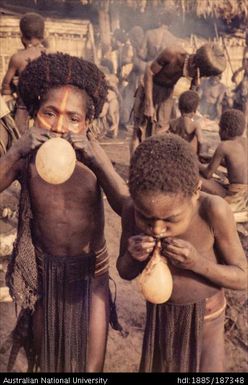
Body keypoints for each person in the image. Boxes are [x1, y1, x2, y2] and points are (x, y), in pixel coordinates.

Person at [0, 52, 128, 372]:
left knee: (90, 367)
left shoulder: (90, 159)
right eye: (49, 113)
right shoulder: (27, 158)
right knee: (50, 363)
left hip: (91, 278)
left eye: (73, 118)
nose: (59, 127)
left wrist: (98, 161)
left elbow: (126, 206)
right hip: (46, 278)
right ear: (33, 114)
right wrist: (16, 149)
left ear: (87, 124)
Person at [117, 134, 246, 372]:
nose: (156, 228)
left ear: (196, 191)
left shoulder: (213, 210)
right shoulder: (131, 210)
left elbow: (242, 276)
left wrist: (197, 263)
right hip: (160, 320)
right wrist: (133, 256)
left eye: (170, 220)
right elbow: (124, 271)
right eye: (147, 218)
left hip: (207, 324)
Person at [130, 43, 226, 155]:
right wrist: (148, 104)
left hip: (166, 94)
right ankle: (134, 166)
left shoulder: (197, 70)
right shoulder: (172, 53)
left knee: (160, 132)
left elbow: (191, 96)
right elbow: (149, 71)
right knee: (139, 130)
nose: (200, 76)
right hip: (149, 88)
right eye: (200, 74)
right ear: (194, 64)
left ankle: (150, 163)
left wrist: (195, 84)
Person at [1, 12, 46, 134]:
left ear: (22, 36)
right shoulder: (50, 56)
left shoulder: (17, 58)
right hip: (46, 108)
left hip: (23, 107)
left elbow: (5, 89)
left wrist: (15, 88)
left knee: (17, 137)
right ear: (43, 36)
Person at [199, 109, 247, 221]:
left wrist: (196, 163)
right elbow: (237, 165)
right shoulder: (245, 141)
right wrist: (212, 159)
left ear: (226, 130)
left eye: (220, 128)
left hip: (236, 195)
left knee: (198, 178)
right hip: (246, 194)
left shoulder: (224, 146)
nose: (219, 132)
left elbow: (208, 174)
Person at [169, 90, 204, 155]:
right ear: (195, 110)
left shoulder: (173, 122)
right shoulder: (195, 125)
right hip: (189, 155)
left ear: (179, 108)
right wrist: (199, 155)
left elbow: (159, 132)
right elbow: (200, 141)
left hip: (176, 153)